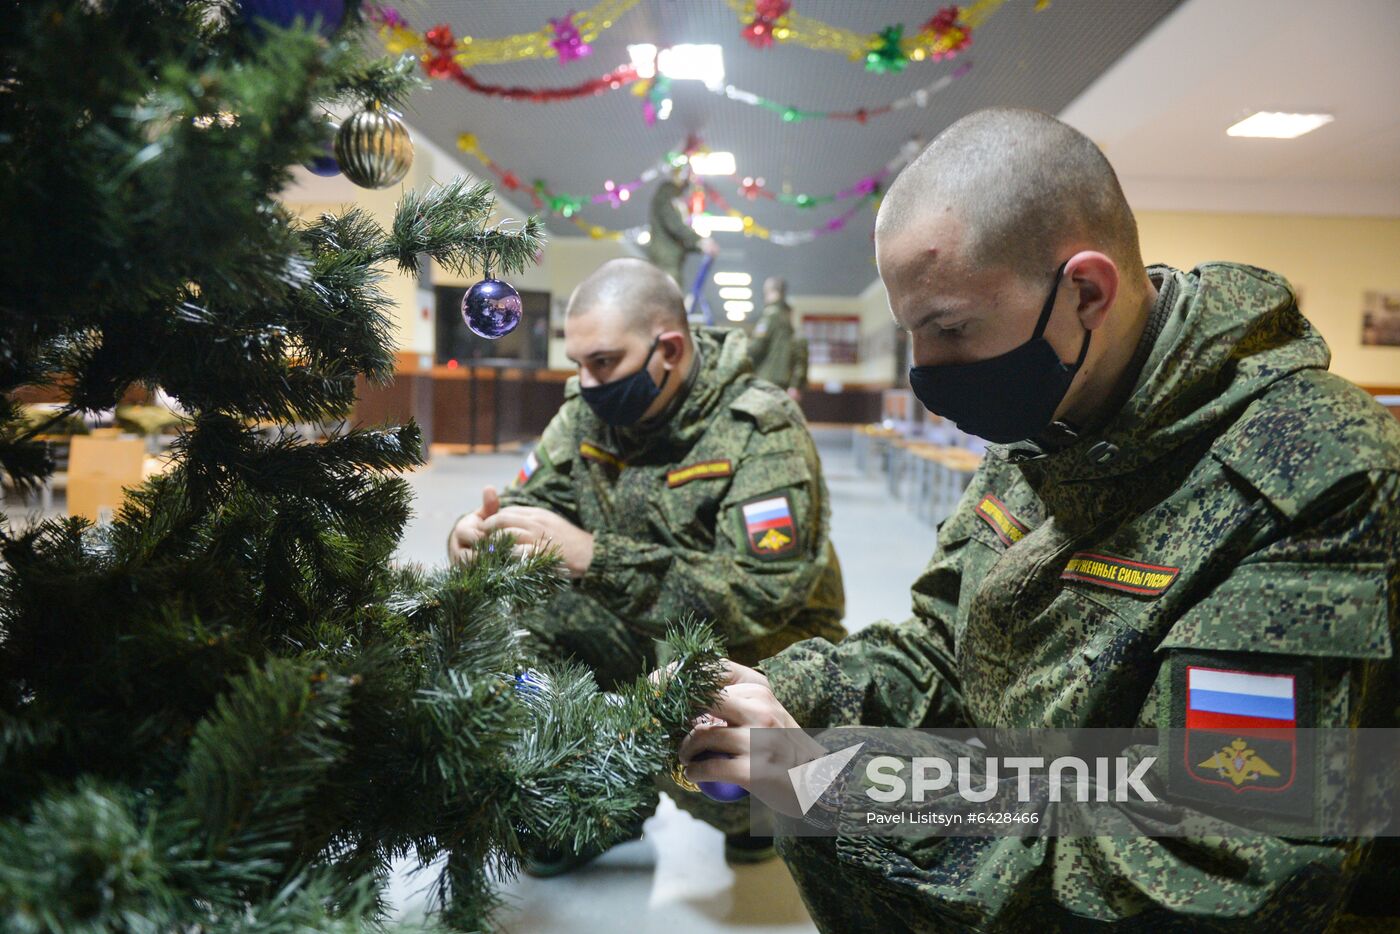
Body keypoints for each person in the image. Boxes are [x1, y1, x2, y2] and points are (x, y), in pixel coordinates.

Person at [676, 108, 1400, 930]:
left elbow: (1205, 869)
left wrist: (827, 782)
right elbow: (947, 648)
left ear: (1085, 293)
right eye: (915, 333)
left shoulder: (1313, 477)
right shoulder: (1047, 420)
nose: (930, 375)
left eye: (949, 327)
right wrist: (772, 694)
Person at [448, 257, 846, 868]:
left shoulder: (758, 425)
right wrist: (478, 534)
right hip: (635, 627)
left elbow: (760, 594)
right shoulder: (587, 406)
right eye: (577, 362)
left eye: (603, 362)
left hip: (746, 645)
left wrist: (591, 555)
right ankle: (596, 802)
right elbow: (530, 506)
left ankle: (751, 810)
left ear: (669, 348)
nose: (585, 381)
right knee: (528, 622)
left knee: (732, 778)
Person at [644, 169, 717, 288]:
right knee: (668, 297)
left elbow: (677, 237)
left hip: (671, 258)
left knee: (670, 295)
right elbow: (673, 223)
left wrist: (699, 247)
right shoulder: (667, 191)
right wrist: (699, 240)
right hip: (665, 259)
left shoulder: (675, 196)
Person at [749, 276, 806, 399]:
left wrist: (738, 352)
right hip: (785, 381)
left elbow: (757, 347)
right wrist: (796, 383)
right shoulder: (789, 316)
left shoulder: (770, 315)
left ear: (771, 291)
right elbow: (799, 352)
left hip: (768, 379)